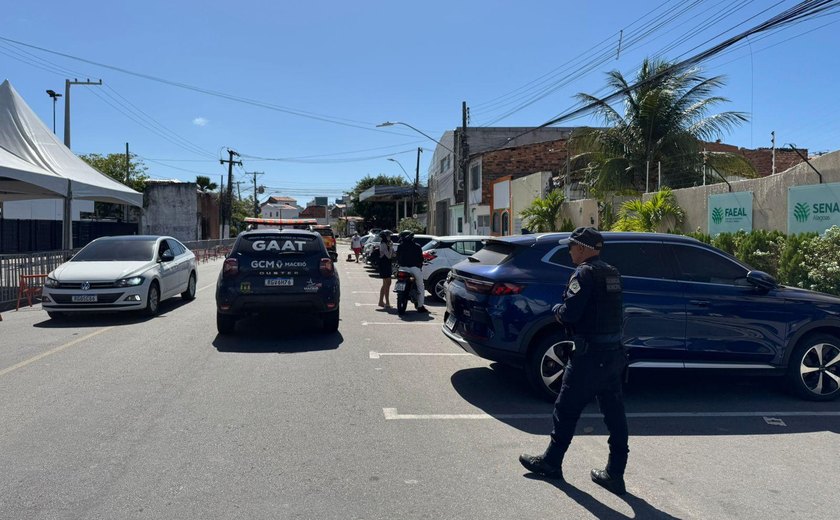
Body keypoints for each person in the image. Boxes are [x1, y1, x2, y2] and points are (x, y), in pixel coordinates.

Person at [519, 227, 629, 496]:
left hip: (589, 356)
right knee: (615, 415)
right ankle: (615, 473)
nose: (569, 251)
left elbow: (570, 313)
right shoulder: (611, 272)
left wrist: (557, 311)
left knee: (566, 409)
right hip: (613, 354)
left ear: (581, 248)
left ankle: (551, 462)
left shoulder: (583, 273)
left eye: (571, 247)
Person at [395, 231, 429, 313]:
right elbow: (420, 259)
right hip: (414, 269)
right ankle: (420, 306)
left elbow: (397, 257)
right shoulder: (417, 246)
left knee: (398, 280)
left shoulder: (400, 246)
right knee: (421, 286)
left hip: (402, 268)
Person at [377, 230, 395, 308]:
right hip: (384, 265)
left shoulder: (386, 244)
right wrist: (391, 247)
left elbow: (392, 254)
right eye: (388, 236)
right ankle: (387, 302)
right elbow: (388, 256)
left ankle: (381, 301)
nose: (389, 237)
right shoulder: (383, 244)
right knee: (387, 283)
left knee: (386, 284)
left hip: (387, 264)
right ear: (385, 236)